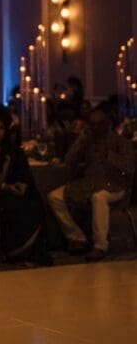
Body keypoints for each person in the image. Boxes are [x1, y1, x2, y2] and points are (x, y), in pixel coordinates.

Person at [47, 106, 135, 261]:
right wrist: (80, 142)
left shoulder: (121, 142)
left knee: (99, 197)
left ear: (107, 124)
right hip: (88, 184)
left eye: (99, 124)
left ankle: (100, 246)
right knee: (54, 196)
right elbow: (68, 162)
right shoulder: (87, 141)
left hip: (115, 185)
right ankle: (77, 237)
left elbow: (130, 167)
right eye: (92, 124)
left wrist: (109, 156)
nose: (95, 128)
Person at [0, 114, 49, 264]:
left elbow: (24, 174)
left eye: (1, 128)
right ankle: (13, 253)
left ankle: (30, 252)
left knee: (30, 205)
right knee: (12, 207)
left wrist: (22, 184)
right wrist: (5, 186)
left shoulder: (14, 151)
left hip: (15, 192)